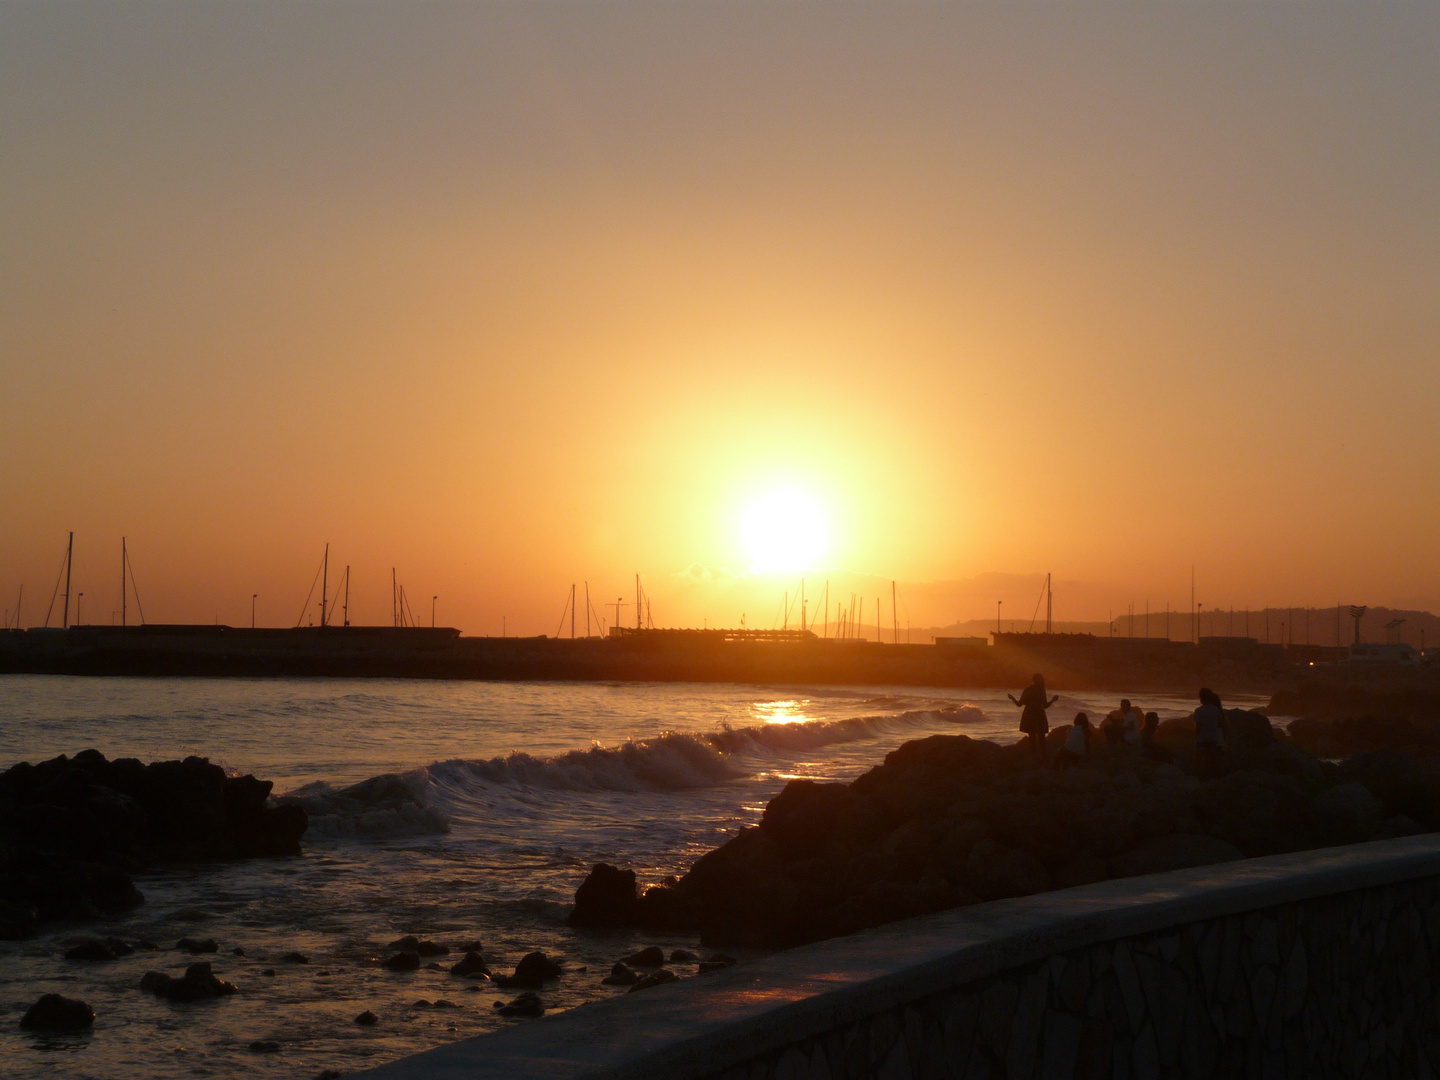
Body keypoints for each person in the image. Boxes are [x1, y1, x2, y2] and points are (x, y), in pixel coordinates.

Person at [1009, 674, 1058, 756]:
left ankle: (1033, 757)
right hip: (1039, 713)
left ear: (1033, 680)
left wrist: (1012, 698)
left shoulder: (1027, 690)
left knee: (1032, 738)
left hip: (1029, 714)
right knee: (1041, 738)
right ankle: (1043, 758)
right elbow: (1045, 706)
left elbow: (1019, 704)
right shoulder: (1041, 690)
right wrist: (1053, 700)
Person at [1193, 687, 1227, 777]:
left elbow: (1198, 727)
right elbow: (1221, 724)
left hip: (1202, 740)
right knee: (1214, 763)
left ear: (1201, 698)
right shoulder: (1216, 710)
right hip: (1213, 740)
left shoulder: (1198, 711)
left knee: (1199, 762)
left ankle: (1199, 777)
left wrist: (1195, 737)